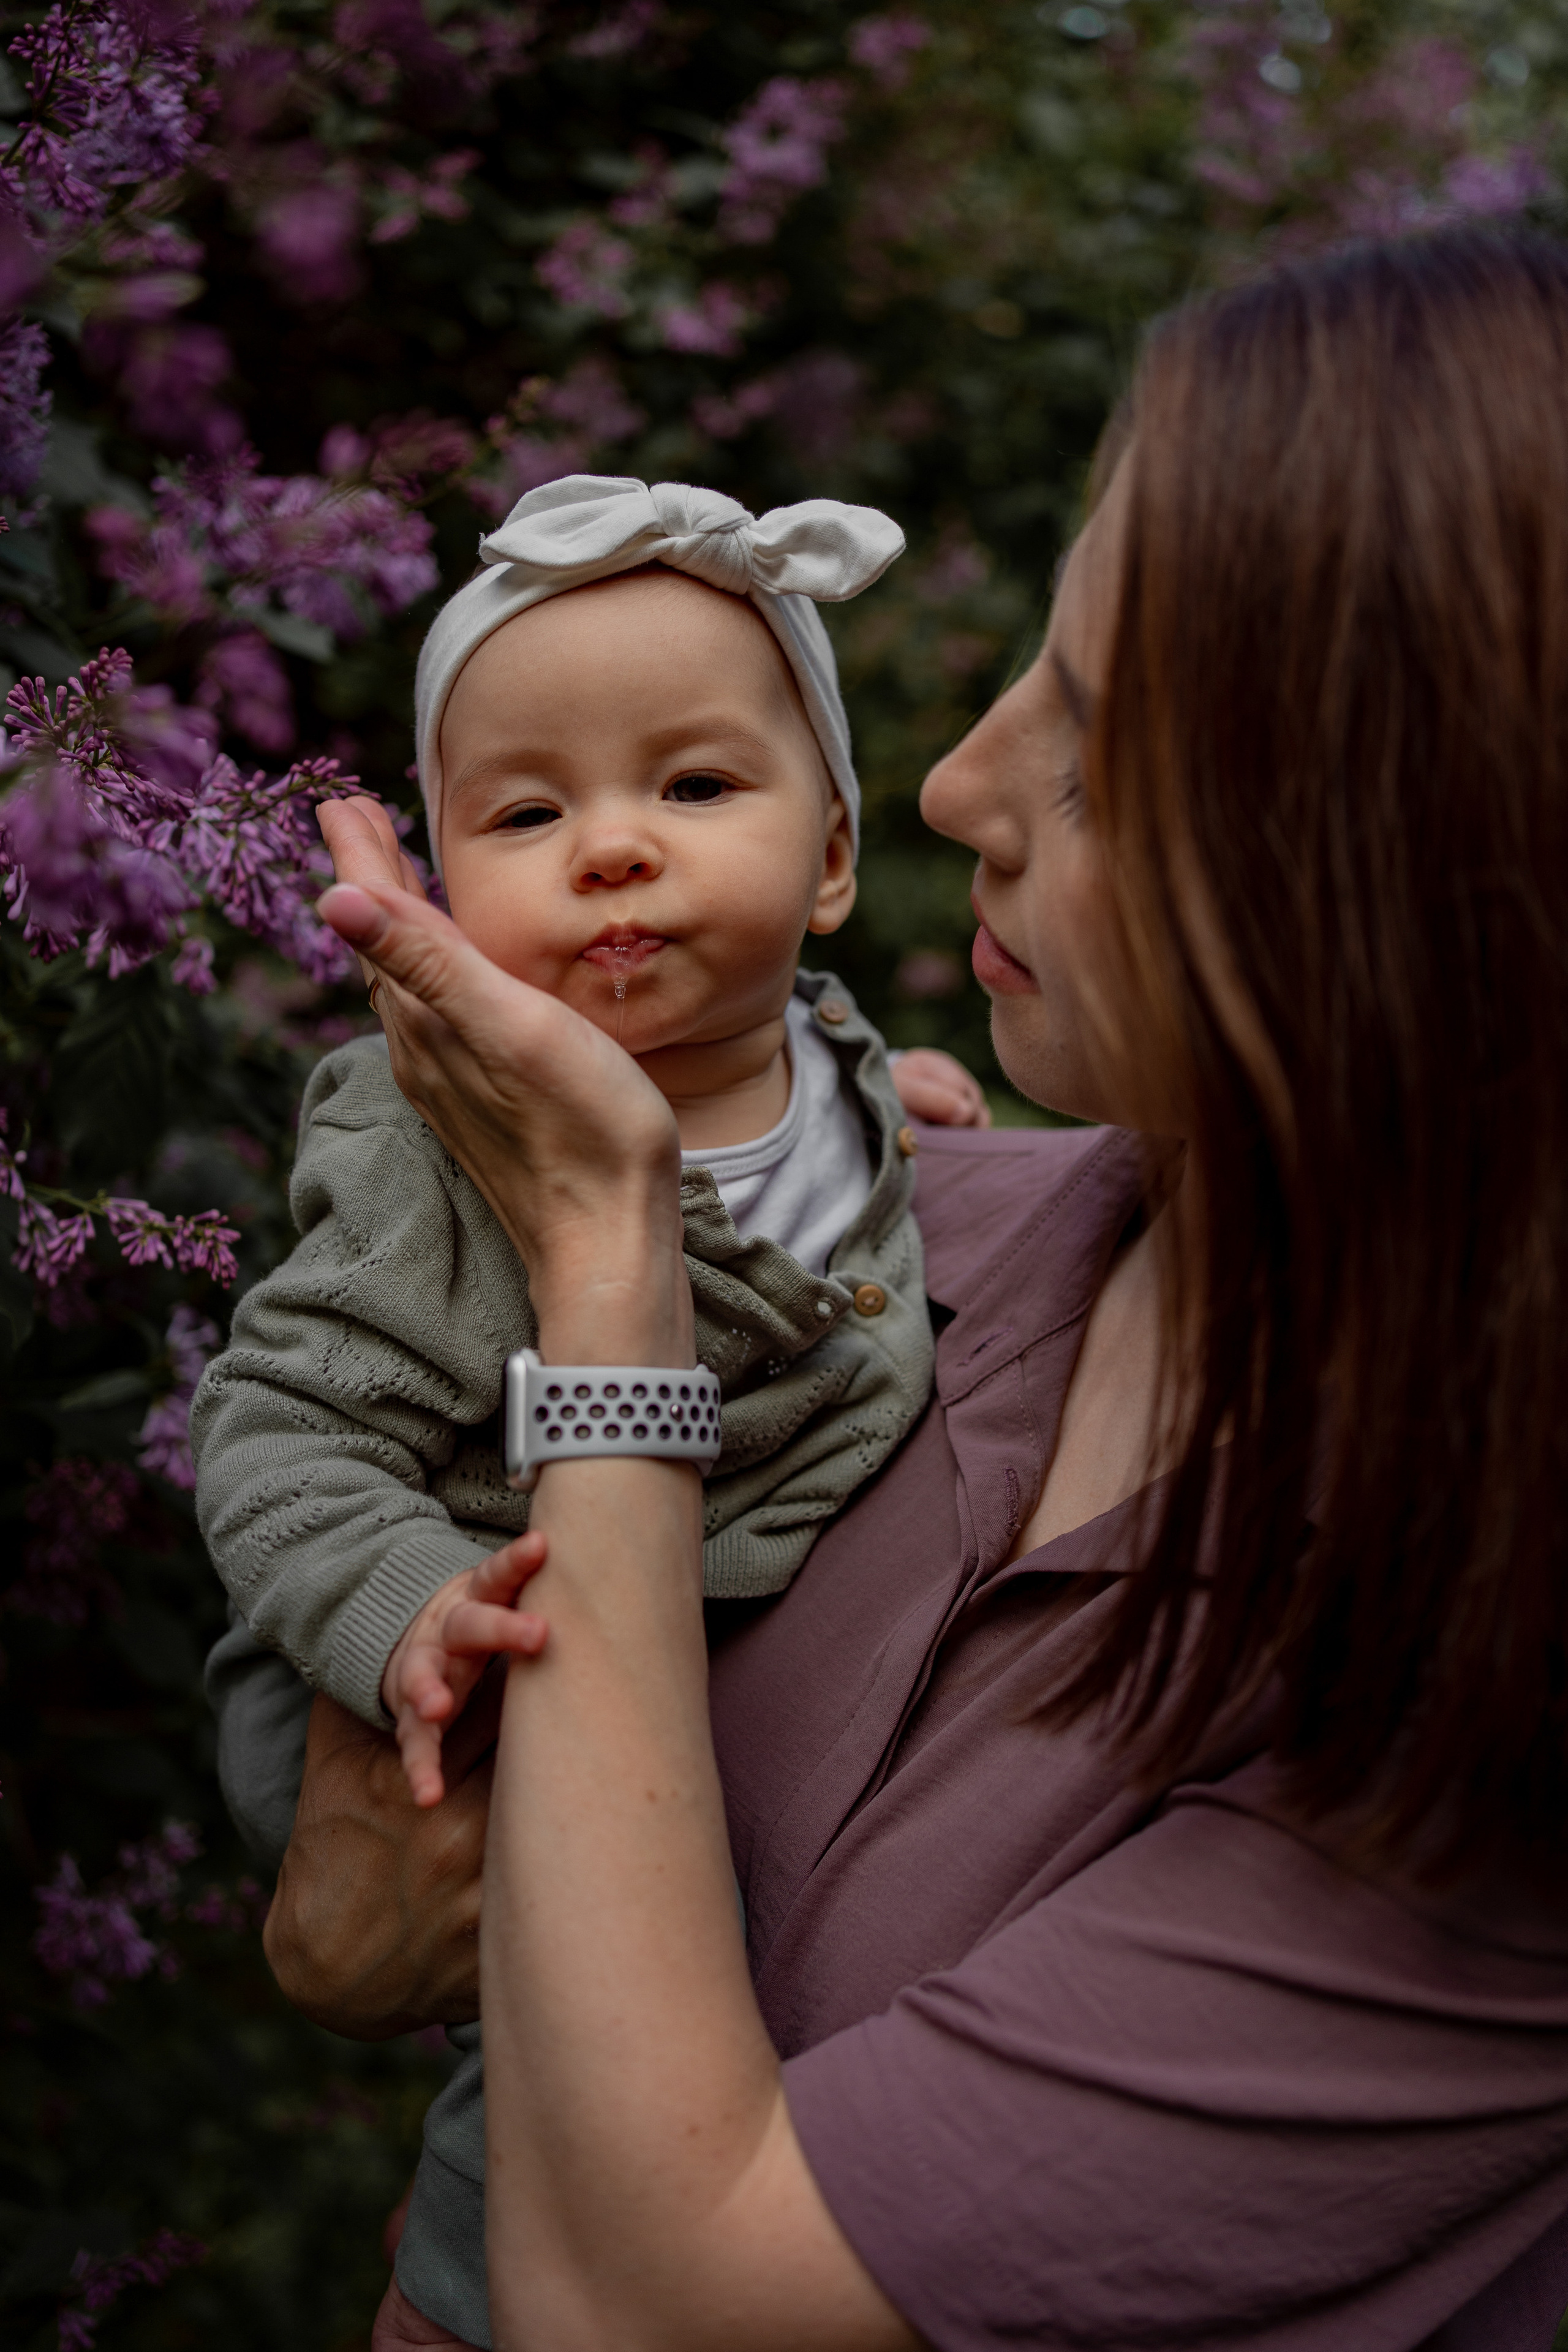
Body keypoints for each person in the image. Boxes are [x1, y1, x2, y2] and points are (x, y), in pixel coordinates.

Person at [225, 228, 1568, 2351]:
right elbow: (370, 1873)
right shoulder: (915, 1234)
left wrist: (608, 1251)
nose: (950, 790)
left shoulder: (1480, 1767)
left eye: (1103, 753)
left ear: (1408, 880)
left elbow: (637, 2308)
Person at [192, 474, 989, 1809]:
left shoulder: (825, 1055)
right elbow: (276, 1430)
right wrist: (415, 1612)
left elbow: (796, 1137)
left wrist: (885, 1099)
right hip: (478, 1718)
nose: (611, 846)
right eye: (525, 815)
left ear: (832, 857)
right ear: (443, 891)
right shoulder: (430, 1152)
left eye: (692, 783)